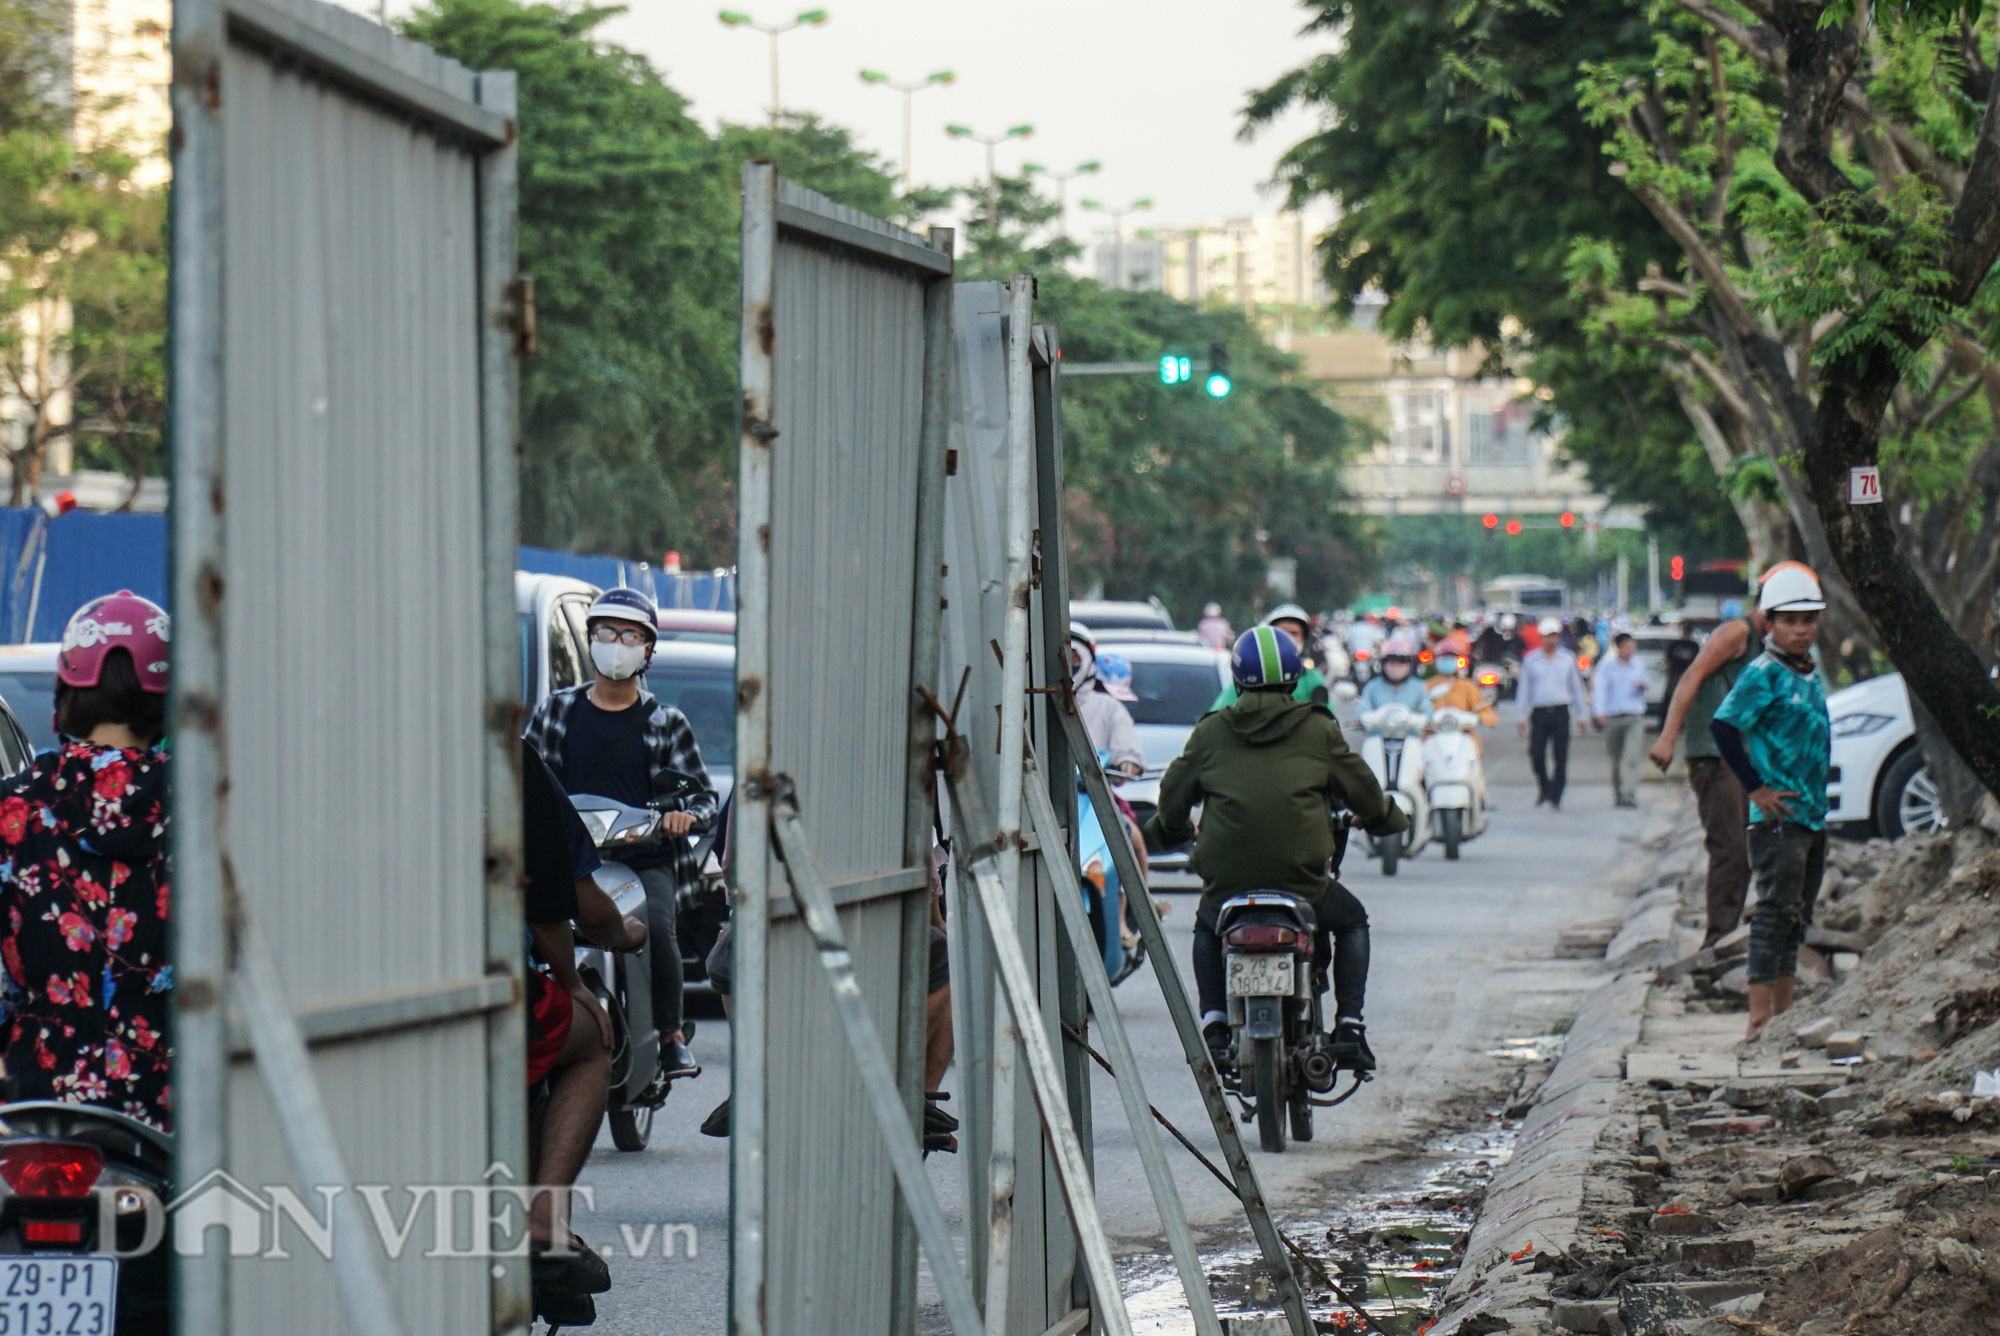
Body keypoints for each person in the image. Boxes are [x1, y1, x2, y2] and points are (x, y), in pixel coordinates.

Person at [1146, 626, 1407, 1073]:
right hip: (1301, 881)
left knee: (1208, 926)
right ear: (1293, 678)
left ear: (1236, 676)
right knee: (1352, 920)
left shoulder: (1211, 732)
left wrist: (1169, 829)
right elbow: (1360, 789)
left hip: (1228, 882)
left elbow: (1173, 797)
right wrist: (1384, 816)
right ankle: (1350, 1026)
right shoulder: (1317, 729)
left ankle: (1213, 1024)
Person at [523, 586, 718, 1084]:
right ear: (590, 639)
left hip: (645, 861)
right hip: (570, 860)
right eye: (607, 632)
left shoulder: (665, 722)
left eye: (631, 635)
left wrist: (683, 817)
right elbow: (523, 780)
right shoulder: (556, 712)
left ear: (647, 650)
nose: (617, 643)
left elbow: (703, 800)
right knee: (532, 925)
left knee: (657, 925)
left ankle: (671, 1036)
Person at [0, 593, 171, 1129]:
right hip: (168, 1110)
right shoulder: (205, 806)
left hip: (35, 1105)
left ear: (68, 693)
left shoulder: (16, 807)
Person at [520, 739, 646, 1313]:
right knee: (591, 1040)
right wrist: (575, 979)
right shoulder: (512, 759)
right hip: (495, 996)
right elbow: (568, 902)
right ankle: (546, 1221)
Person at [1709, 564, 1831, 1042]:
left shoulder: (1808, 673)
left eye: (1809, 620)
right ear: (1771, 624)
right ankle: (1760, 1019)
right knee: (1773, 915)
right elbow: (1724, 726)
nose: (1801, 629)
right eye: (1790, 620)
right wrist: (1756, 787)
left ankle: (1784, 1017)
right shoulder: (1763, 674)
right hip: (1778, 819)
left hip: (1811, 815)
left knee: (1796, 919)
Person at [1648, 597, 1770, 947]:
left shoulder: (1769, 648)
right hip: (1716, 757)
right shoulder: (1737, 633)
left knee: (1748, 846)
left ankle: (1731, 932)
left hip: (1742, 757)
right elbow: (1693, 675)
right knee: (1730, 846)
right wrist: (1668, 737)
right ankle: (1718, 942)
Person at [1516, 616, 1590, 809]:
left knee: (1560, 756)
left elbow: (1576, 687)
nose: (1552, 640)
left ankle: (1556, 795)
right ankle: (1544, 786)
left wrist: (1581, 714)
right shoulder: (1531, 660)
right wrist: (1521, 715)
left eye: (1555, 636)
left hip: (1560, 712)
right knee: (1536, 754)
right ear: (1541, 638)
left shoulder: (1567, 659)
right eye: (1548, 636)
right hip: (1539, 713)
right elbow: (1524, 688)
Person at [1211, 604, 1330, 709]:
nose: (1287, 639)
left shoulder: (1313, 678)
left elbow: (1327, 717)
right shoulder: (1251, 676)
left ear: (1304, 640)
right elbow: (1220, 712)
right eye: (1281, 633)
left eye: (1294, 633)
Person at [1069, 625, 1143, 776]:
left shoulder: (1108, 706)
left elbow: (1127, 750)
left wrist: (1127, 762)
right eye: (1061, 657)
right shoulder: (1032, 702)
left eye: (1075, 658)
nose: (1068, 665)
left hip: (1090, 795)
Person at [1593, 632, 1650, 808]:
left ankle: (1629, 795)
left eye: (1633, 646)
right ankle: (1618, 794)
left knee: (1632, 757)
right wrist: (1599, 712)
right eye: (1627, 646)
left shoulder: (1638, 665)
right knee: (1615, 760)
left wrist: (1642, 686)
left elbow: (1647, 686)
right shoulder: (1606, 667)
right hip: (1613, 717)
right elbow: (1600, 690)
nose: (1630, 650)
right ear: (1619, 647)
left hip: (1634, 716)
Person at [1358, 637, 1432, 719]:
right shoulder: (1372, 686)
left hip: (1409, 731)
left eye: (1401, 663)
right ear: (1383, 665)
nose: (1396, 668)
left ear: (1409, 666)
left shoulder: (1419, 687)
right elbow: (1362, 711)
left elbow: (1427, 713)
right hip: (1379, 731)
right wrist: (1358, 721)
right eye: (1392, 663)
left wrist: (1429, 723)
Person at [1662, 621, 1700, 707]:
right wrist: (1667, 669)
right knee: (1671, 696)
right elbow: (1668, 659)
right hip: (1675, 674)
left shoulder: (1693, 646)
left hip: (1688, 675)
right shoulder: (1675, 645)